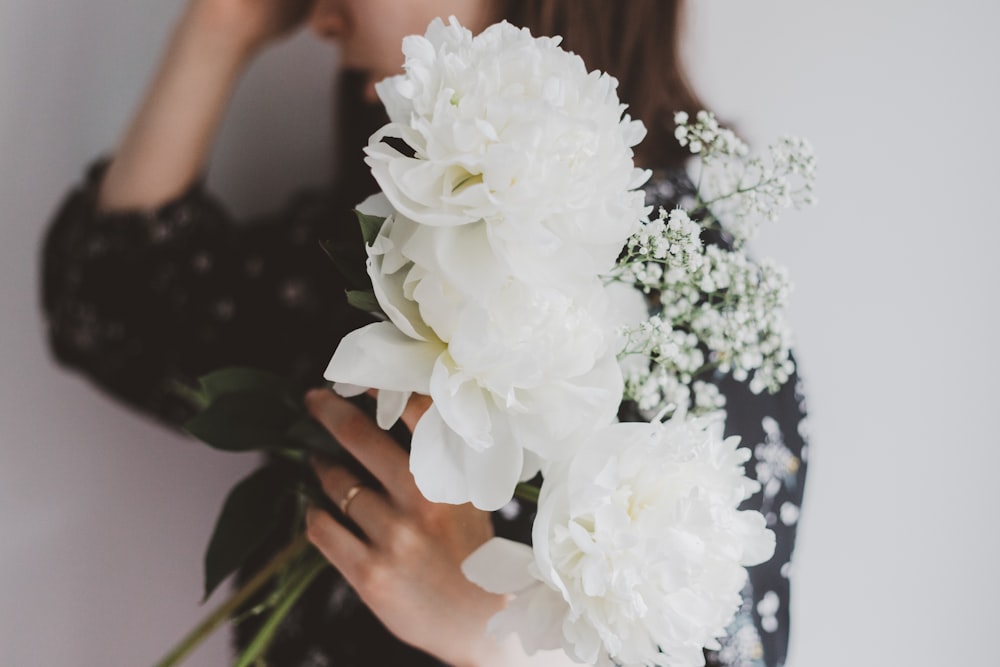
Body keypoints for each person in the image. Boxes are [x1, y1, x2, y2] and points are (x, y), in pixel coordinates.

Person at [41, 1, 809, 665]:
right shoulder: (386, 248)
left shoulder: (696, 315)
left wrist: (492, 632)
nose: (321, 21)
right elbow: (112, 304)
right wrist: (221, 25)